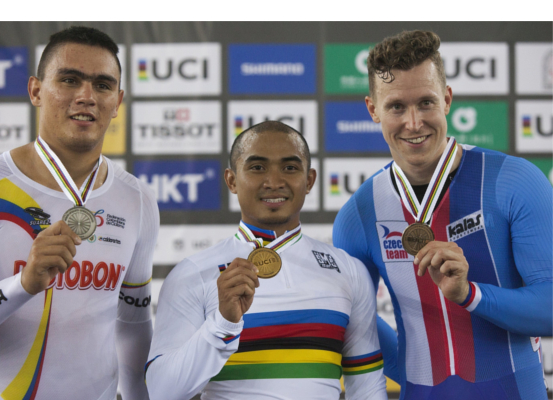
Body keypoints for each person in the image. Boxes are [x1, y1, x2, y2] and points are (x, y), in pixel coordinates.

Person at [333, 30, 552, 400]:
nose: (414, 123)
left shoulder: (514, 181)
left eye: (426, 103)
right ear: (373, 109)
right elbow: (355, 323)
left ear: (447, 99)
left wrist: (470, 294)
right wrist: (415, 370)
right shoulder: (359, 215)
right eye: (396, 107)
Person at [0, 26, 159, 400]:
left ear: (117, 101)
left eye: (102, 85)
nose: (86, 97)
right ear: (36, 91)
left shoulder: (138, 199)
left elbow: (133, 326)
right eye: (69, 80)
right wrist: (23, 284)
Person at [145, 120, 387, 400]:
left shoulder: (348, 271)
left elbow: (368, 389)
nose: (274, 182)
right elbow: (160, 391)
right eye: (257, 167)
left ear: (309, 180)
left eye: (290, 168)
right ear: (232, 180)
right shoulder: (193, 273)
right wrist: (222, 324)